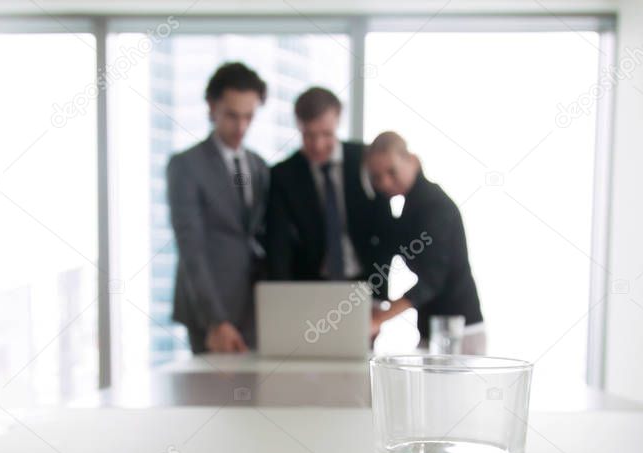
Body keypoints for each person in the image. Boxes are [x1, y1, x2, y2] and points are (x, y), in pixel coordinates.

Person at [166, 62, 270, 353]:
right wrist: (216, 321)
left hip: (254, 310)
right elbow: (191, 248)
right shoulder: (186, 166)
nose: (241, 127)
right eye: (232, 116)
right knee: (213, 396)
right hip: (209, 311)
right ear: (211, 108)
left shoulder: (258, 165)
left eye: (249, 116)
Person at [364, 131, 485, 351]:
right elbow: (386, 252)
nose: (384, 182)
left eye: (391, 171)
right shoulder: (408, 208)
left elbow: (432, 279)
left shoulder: (435, 207)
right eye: (376, 176)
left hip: (459, 329)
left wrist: (379, 318)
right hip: (432, 328)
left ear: (412, 160)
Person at [265, 87, 391, 286]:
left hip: (364, 281)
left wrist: (380, 292)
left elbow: (385, 230)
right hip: (310, 285)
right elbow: (278, 244)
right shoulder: (283, 175)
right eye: (308, 135)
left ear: (338, 120)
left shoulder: (365, 159)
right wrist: (283, 296)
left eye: (326, 134)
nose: (317, 145)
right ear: (298, 125)